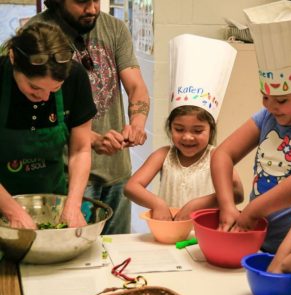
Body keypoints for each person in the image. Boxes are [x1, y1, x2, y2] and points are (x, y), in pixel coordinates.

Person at [28, 0, 150, 234]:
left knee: (113, 257)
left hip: (117, 174)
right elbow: (40, 112)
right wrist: (92, 139)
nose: (93, 9)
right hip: (66, 178)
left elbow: (136, 87)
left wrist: (137, 123)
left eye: (96, 0)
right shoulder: (37, 33)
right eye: (82, 1)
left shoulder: (114, 28)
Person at [210, 0, 291, 253]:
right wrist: (227, 204)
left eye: (282, 100)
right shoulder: (266, 117)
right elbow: (222, 155)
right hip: (260, 241)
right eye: (265, 96)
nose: (271, 106)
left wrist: (254, 209)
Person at [125, 34, 243, 220]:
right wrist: (157, 203)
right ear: (170, 127)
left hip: (203, 237)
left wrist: (197, 204)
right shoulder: (163, 155)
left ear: (211, 129)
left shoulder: (216, 157)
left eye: (197, 130)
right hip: (168, 233)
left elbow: (238, 193)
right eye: (179, 129)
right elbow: (131, 187)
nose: (187, 137)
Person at [0, 21, 97, 229]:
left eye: (55, 88)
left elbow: (80, 149)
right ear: (12, 58)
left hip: (52, 203)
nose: (44, 97)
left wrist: (72, 204)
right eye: (34, 87)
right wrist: (12, 211)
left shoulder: (76, 77)